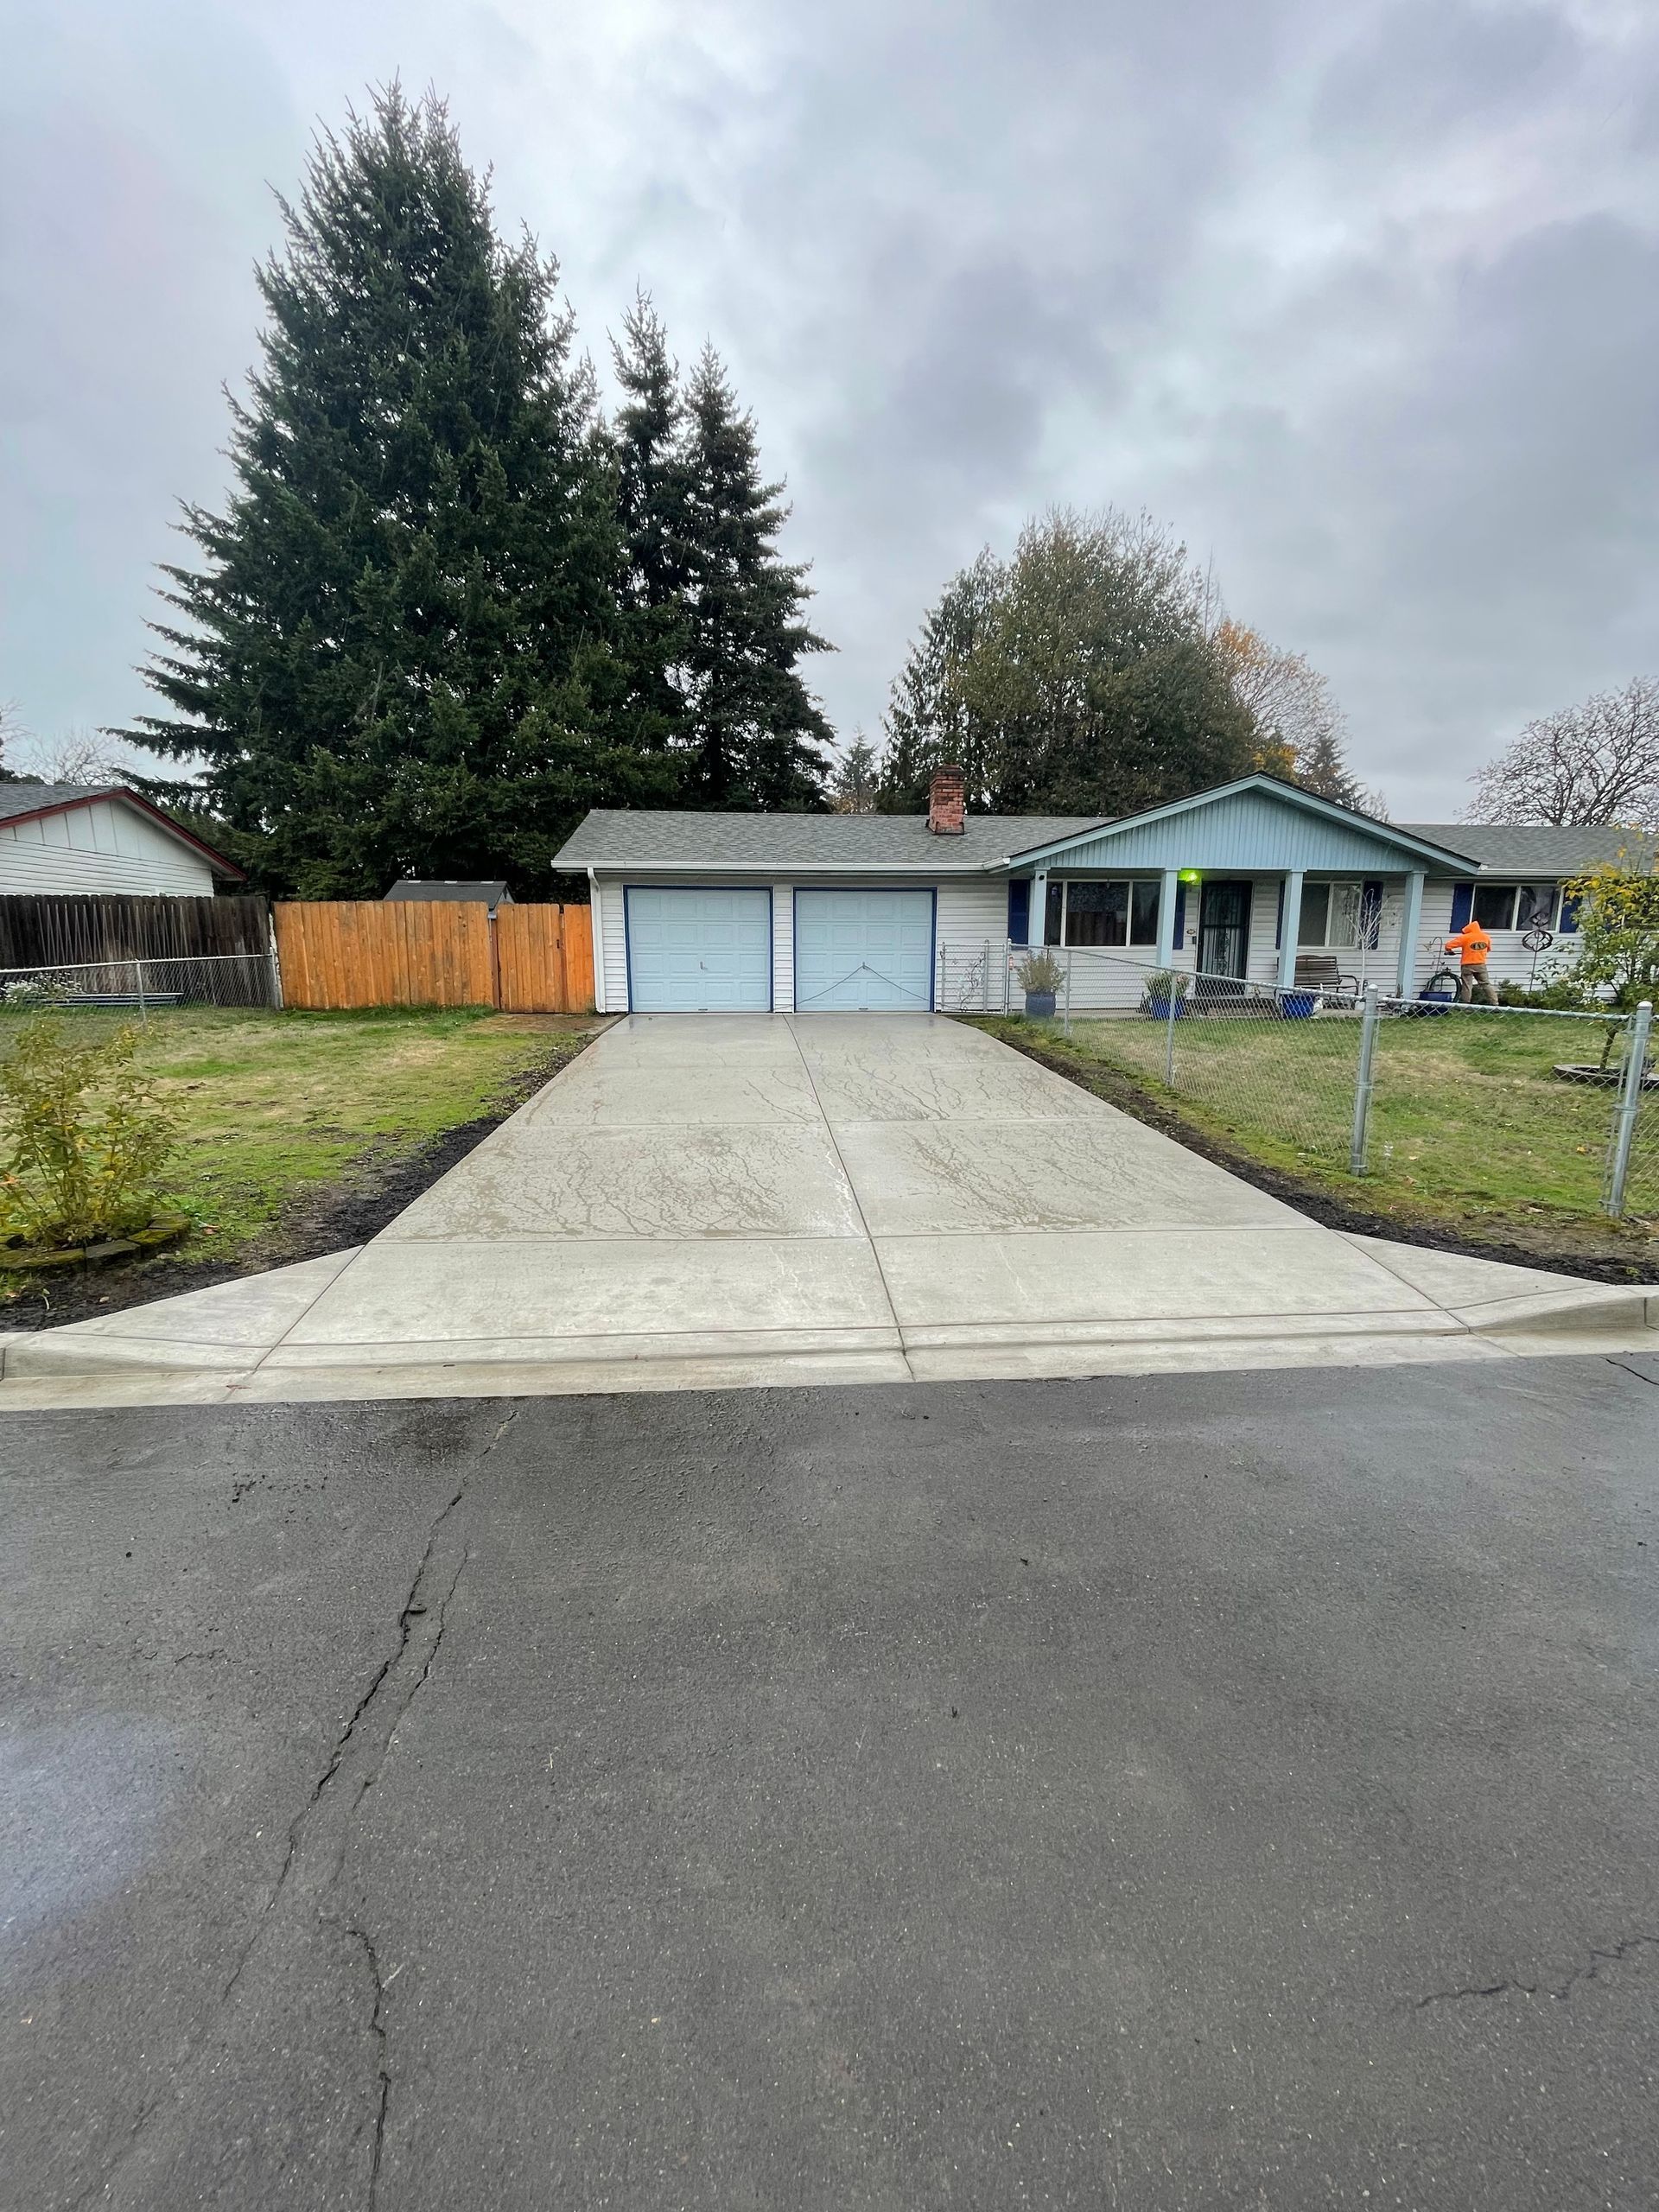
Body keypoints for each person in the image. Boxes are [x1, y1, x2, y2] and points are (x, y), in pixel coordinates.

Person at [1445, 914, 1497, 1004]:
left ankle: (1465, 1004)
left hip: (1467, 965)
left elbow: (1448, 945)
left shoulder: (1465, 937)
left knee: (1467, 985)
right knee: (1486, 984)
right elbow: (1488, 949)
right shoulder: (1486, 937)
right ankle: (1495, 1003)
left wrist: (1450, 951)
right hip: (1481, 964)